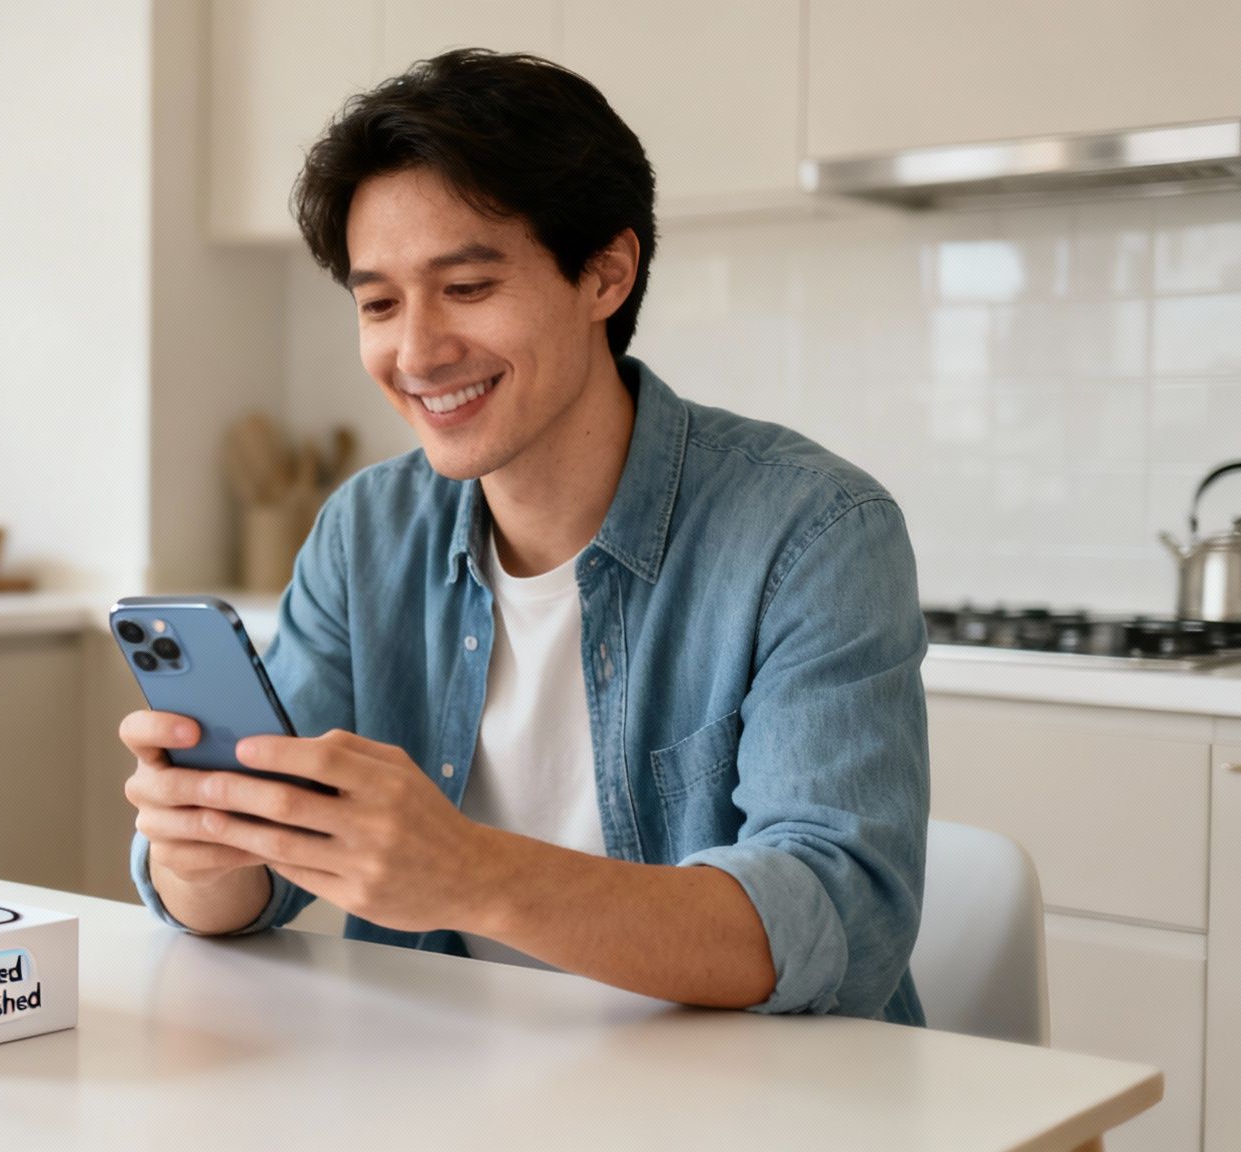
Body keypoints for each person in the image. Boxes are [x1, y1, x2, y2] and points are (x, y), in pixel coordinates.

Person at [122, 49, 928, 1023]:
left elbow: (836, 918)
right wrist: (200, 851)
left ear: (604, 274)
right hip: (452, 1087)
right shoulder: (365, 532)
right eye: (378, 303)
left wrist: (469, 873)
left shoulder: (813, 535)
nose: (414, 353)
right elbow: (251, 895)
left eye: (465, 287)